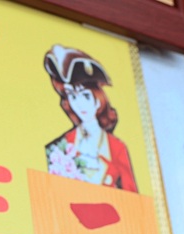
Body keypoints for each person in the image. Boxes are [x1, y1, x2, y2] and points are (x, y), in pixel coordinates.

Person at [43, 44, 137, 192]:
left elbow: (133, 201)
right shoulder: (59, 148)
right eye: (73, 97)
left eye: (85, 96)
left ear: (98, 100)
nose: (79, 104)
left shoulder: (117, 148)